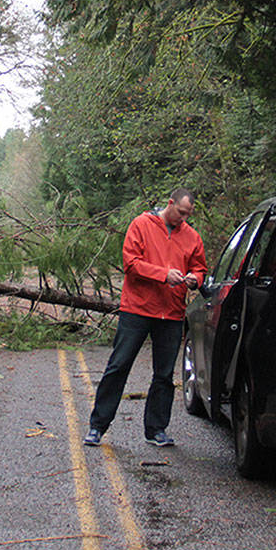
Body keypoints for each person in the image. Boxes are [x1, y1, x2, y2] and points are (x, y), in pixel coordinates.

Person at [85, 188, 207, 448]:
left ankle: (156, 430)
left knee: (163, 375)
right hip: (137, 310)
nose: (183, 219)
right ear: (170, 203)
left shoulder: (192, 237)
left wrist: (195, 279)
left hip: (171, 313)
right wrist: (163, 274)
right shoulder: (141, 225)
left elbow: (199, 268)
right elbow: (131, 263)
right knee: (118, 366)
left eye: (188, 215)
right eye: (180, 212)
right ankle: (97, 427)